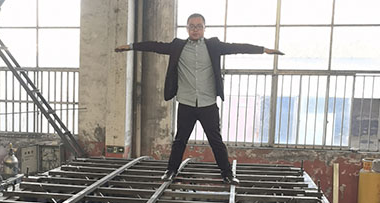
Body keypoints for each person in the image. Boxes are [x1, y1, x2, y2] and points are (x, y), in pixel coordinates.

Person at [116, 13, 284, 184]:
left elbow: (237, 47)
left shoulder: (214, 45)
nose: (195, 29)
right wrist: (130, 46)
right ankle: (171, 170)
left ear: (204, 28)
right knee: (180, 140)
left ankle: (227, 174)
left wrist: (264, 50)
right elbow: (154, 46)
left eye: (198, 26)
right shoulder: (177, 46)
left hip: (208, 103)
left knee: (216, 140)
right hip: (186, 102)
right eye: (191, 26)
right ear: (187, 28)